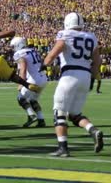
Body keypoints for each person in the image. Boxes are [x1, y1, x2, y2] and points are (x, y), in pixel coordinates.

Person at [40, 12, 104, 157]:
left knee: (59, 113)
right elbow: (97, 61)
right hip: (86, 75)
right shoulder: (91, 37)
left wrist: (44, 64)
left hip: (70, 75)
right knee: (75, 114)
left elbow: (55, 51)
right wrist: (93, 78)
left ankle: (63, 148)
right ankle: (93, 130)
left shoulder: (65, 34)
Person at [10, 37, 47, 128]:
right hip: (43, 78)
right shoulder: (33, 50)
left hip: (34, 79)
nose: (13, 48)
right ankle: (41, 119)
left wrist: (21, 83)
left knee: (21, 98)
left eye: (14, 46)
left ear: (19, 45)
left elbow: (23, 68)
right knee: (33, 100)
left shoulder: (19, 53)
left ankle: (31, 116)